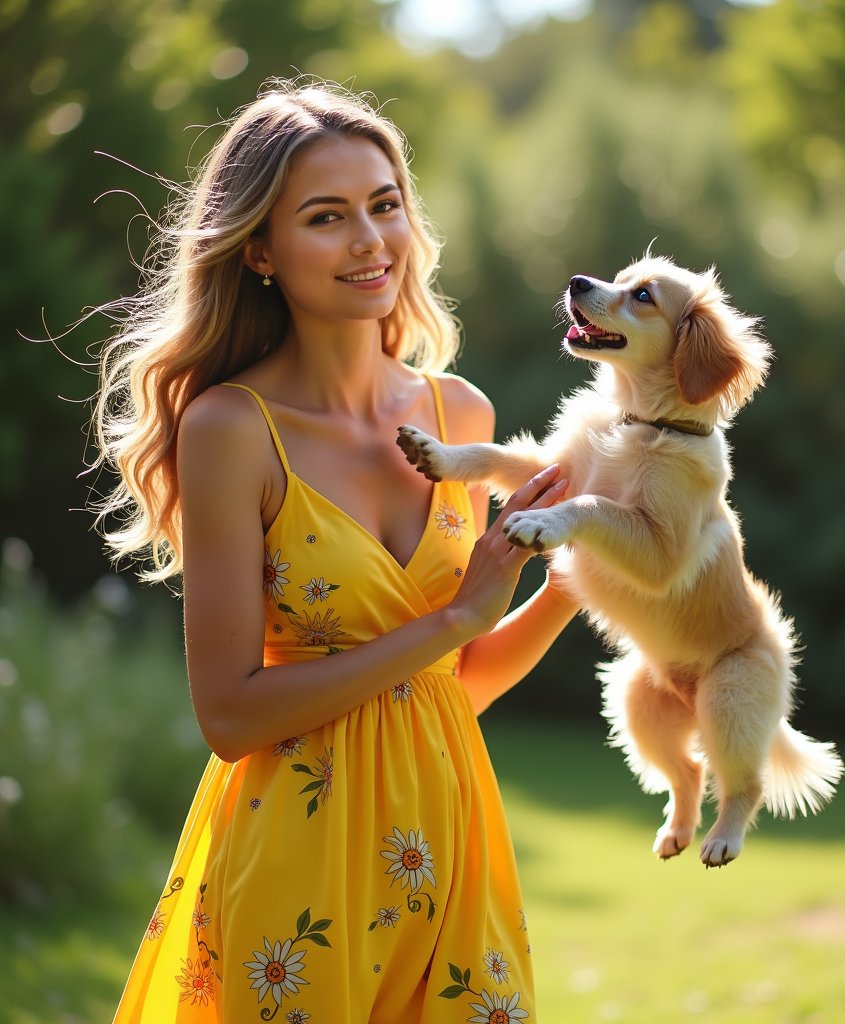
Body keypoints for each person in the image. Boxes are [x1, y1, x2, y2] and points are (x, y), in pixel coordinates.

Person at [94, 77, 578, 1023]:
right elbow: (229, 715)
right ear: (260, 251)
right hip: (300, 862)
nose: (370, 240)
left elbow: (448, 686)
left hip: (448, 840)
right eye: (327, 217)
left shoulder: (460, 414)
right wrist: (455, 617)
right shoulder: (233, 429)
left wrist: (570, 581)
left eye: (384, 205)